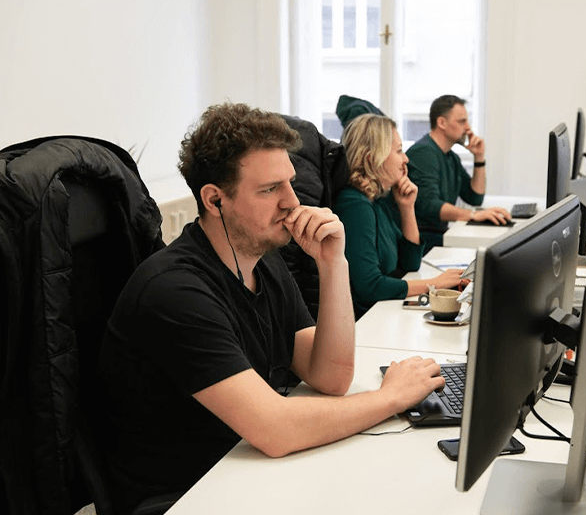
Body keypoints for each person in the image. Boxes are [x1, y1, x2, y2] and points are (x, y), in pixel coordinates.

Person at [97, 103, 445, 514]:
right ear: (214, 200)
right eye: (269, 189)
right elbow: (276, 429)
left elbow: (329, 376)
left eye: (290, 184)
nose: (292, 202)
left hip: (246, 467)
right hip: (190, 496)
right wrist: (391, 398)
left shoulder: (265, 261)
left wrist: (334, 265)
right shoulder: (175, 290)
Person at [333, 114, 464, 317]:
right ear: (373, 158)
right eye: (399, 151)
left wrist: (407, 207)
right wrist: (433, 284)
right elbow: (368, 286)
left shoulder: (378, 199)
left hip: (383, 313)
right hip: (367, 321)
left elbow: (410, 263)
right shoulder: (354, 205)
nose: (406, 159)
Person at [406, 94, 511, 248]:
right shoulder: (424, 153)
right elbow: (431, 206)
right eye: (462, 121)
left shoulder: (451, 157)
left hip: (438, 234)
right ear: (441, 122)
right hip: (422, 239)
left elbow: (474, 197)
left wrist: (479, 157)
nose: (468, 127)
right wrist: (474, 215)